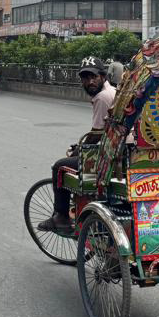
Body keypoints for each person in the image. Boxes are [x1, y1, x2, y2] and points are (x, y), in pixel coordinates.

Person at [36, 57, 116, 233]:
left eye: (94, 77)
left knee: (59, 166)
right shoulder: (112, 92)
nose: (90, 81)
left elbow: (96, 134)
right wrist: (81, 148)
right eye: (86, 78)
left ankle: (61, 217)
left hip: (108, 158)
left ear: (103, 76)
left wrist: (79, 151)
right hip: (114, 151)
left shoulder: (102, 97)